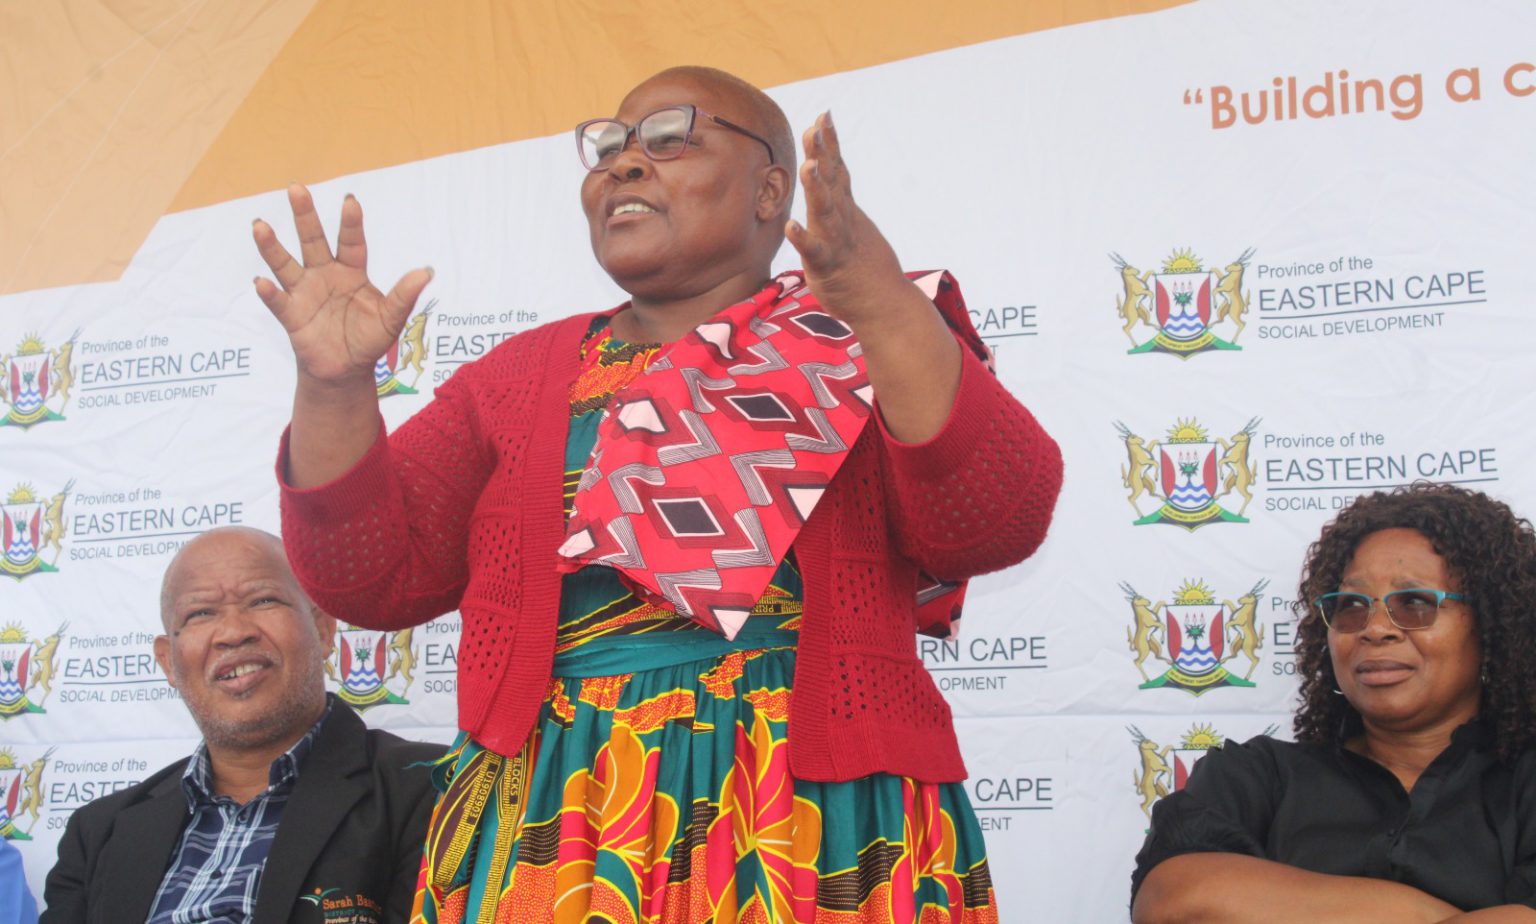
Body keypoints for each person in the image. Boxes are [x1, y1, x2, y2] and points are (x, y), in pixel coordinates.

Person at [256, 65, 1062, 921]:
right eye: (607, 146)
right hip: (552, 816)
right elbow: (367, 578)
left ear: (771, 191)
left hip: (816, 812)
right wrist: (335, 388)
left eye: (671, 136)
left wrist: (884, 307)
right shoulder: (518, 377)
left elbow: (994, 521)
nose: (623, 164)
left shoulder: (864, 335)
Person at [1131, 484, 1536, 923]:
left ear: (1493, 628)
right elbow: (1174, 900)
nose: (1376, 628)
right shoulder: (1259, 776)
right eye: (1351, 606)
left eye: (1415, 603)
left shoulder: (1525, 782)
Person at [41, 527, 441, 924]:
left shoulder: (433, 789)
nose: (233, 632)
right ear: (168, 662)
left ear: (322, 631)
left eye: (263, 600)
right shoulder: (98, 832)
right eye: (200, 613)